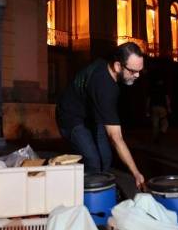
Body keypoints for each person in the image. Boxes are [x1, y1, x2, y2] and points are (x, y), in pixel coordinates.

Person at [56, 42, 146, 190]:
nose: (137, 75)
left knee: (105, 158)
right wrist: (135, 173)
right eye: (133, 71)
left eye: (139, 70)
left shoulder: (108, 62)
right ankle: (84, 199)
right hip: (70, 117)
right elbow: (116, 138)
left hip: (92, 114)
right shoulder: (104, 87)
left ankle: (102, 192)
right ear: (118, 66)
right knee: (93, 161)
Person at [146, 77, 171, 143]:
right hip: (162, 108)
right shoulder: (164, 89)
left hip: (154, 108)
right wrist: (169, 108)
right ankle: (161, 134)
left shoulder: (152, 89)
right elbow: (167, 99)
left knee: (155, 124)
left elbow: (148, 100)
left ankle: (154, 138)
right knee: (165, 123)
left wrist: (147, 110)